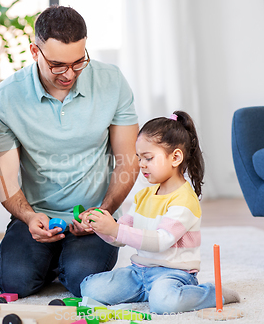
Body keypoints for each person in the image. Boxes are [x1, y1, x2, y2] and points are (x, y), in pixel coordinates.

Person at [0, 5, 140, 298]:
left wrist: (104, 212)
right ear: (34, 51)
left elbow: (127, 161)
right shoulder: (7, 96)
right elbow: (3, 176)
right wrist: (30, 218)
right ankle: (53, 257)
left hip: (94, 214)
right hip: (36, 214)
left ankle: (64, 261)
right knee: (14, 283)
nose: (69, 74)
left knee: (83, 282)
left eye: (78, 62)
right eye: (57, 65)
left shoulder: (112, 80)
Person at [80, 111, 240, 314]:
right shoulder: (143, 195)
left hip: (173, 274)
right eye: (138, 158)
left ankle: (214, 293)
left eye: (148, 158)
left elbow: (160, 241)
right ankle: (150, 292)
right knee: (89, 288)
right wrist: (101, 226)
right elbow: (121, 237)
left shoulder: (184, 200)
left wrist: (115, 229)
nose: (141, 164)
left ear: (175, 157)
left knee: (165, 304)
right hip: (139, 272)